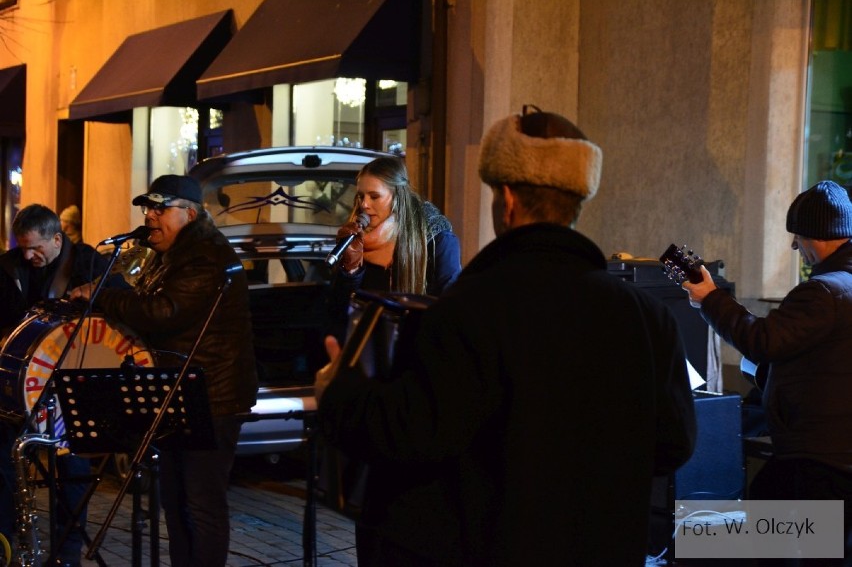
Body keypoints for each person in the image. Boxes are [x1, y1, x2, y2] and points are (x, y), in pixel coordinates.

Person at [316, 107, 697, 566]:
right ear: (576, 202)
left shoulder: (467, 309)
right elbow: (674, 444)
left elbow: (411, 435)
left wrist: (342, 391)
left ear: (509, 199)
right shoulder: (648, 317)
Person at [69, 175, 258, 567]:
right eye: (147, 208)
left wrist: (104, 298)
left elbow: (163, 312)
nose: (149, 216)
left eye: (159, 208)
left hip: (213, 398)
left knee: (201, 502)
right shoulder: (172, 254)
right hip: (179, 391)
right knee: (175, 502)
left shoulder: (205, 256)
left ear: (188, 214)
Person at [683, 179, 852, 565]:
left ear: (816, 235)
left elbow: (762, 341)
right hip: (836, 457)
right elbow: (820, 360)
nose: (795, 247)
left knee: (763, 534)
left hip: (819, 461)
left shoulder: (824, 292)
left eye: (797, 236)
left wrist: (710, 298)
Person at [0, 204, 120, 567]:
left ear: (57, 238)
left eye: (35, 247)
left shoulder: (87, 264)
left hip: (70, 380)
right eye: (22, 247)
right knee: (4, 458)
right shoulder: (8, 267)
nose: (28, 255)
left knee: (71, 468)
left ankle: (66, 552)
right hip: (17, 381)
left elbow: (119, 306)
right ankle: (6, 539)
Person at [327, 156, 461, 341]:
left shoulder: (436, 238)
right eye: (361, 196)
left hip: (413, 346)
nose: (365, 205)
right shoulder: (355, 237)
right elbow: (338, 309)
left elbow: (450, 307)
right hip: (367, 345)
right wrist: (351, 270)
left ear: (398, 197)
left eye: (374, 196)